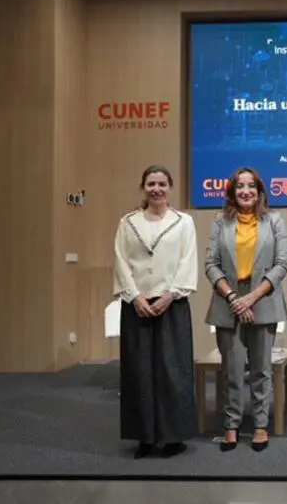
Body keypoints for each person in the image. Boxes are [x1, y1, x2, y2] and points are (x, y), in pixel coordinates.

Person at [113, 164, 199, 459]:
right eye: (151, 184)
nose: (156, 189)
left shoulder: (183, 222)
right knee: (139, 372)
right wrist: (135, 297)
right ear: (143, 187)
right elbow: (121, 261)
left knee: (173, 372)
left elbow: (188, 260)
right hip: (137, 306)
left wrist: (170, 295)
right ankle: (145, 438)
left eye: (162, 184)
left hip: (172, 305)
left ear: (170, 188)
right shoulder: (128, 222)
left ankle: (173, 437)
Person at [204, 167, 287, 452]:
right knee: (231, 370)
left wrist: (250, 298)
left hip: (262, 299)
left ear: (259, 190)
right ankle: (231, 425)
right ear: (232, 191)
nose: (245, 191)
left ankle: (261, 425)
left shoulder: (274, 220)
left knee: (261, 370)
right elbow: (211, 264)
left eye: (251, 186)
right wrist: (234, 298)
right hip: (227, 301)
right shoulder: (221, 221)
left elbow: (282, 263)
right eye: (240, 186)